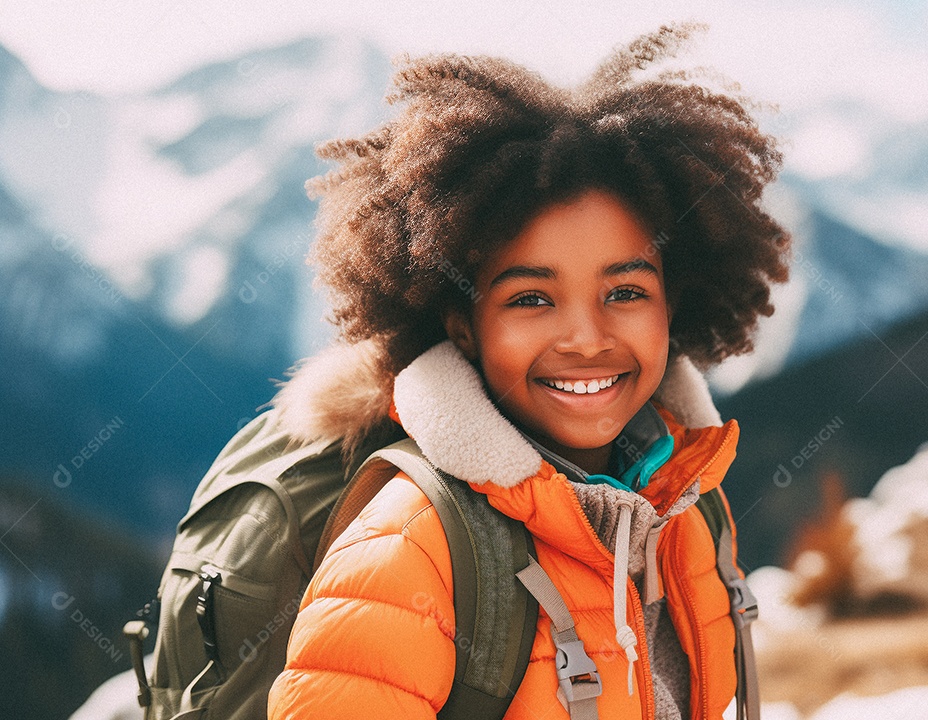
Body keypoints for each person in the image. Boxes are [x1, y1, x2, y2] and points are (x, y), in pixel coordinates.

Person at [266, 20, 790, 720]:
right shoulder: (412, 554)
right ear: (464, 326)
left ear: (675, 306)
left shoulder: (689, 508)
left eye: (626, 292)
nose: (584, 337)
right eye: (531, 298)